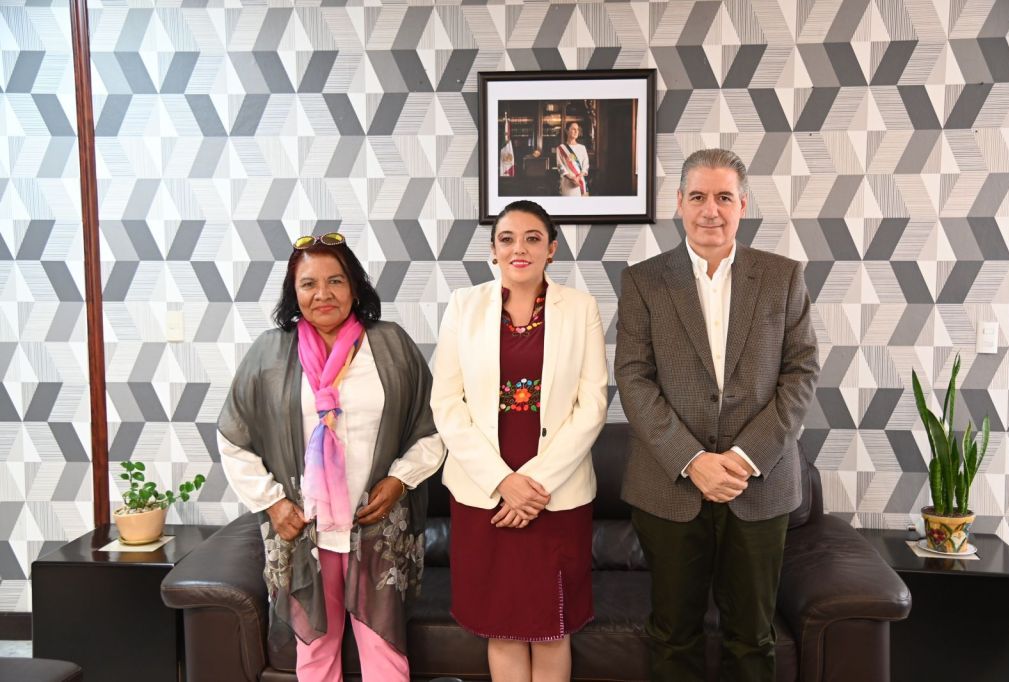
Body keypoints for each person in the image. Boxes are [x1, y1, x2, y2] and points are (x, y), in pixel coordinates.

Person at [614, 148, 819, 681]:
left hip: (760, 486)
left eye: (724, 197)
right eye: (699, 196)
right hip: (668, 487)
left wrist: (745, 458)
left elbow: (800, 373)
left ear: (742, 205)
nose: (711, 210)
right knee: (673, 636)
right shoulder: (643, 281)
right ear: (679, 202)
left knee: (752, 638)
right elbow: (634, 379)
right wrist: (693, 461)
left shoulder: (782, 277)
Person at [217, 232, 445, 682]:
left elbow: (433, 426)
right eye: (309, 284)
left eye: (335, 280)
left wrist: (400, 480)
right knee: (315, 652)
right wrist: (273, 503)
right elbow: (234, 437)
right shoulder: (269, 353)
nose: (323, 294)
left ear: (355, 287)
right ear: (294, 293)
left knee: (385, 653)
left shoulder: (392, 345)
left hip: (377, 527)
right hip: (304, 528)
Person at [431, 200, 608, 682]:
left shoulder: (581, 309)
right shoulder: (464, 307)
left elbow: (592, 406)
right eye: (507, 239)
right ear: (493, 250)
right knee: (503, 628)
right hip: (484, 495)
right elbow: (446, 403)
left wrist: (533, 485)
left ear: (552, 249)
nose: (519, 248)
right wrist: (503, 483)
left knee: (552, 629)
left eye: (533, 238)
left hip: (556, 495)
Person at [557, 122, 589, 196]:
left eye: (577, 129)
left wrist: (578, 178)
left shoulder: (582, 148)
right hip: (567, 183)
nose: (576, 131)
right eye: (573, 129)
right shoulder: (561, 148)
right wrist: (571, 178)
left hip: (580, 182)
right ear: (567, 131)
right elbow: (560, 166)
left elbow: (586, 165)